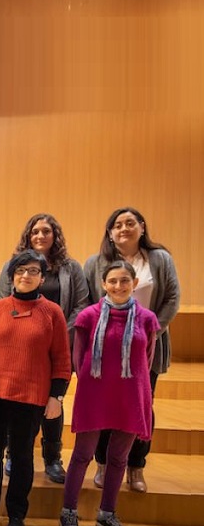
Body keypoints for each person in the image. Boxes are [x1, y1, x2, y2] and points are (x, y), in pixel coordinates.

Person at [0, 250, 71, 526]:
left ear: (42, 278)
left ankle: (16, 514)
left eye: (33, 271)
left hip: (31, 395)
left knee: (22, 456)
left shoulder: (53, 312)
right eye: (21, 271)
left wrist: (56, 396)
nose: (26, 276)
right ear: (12, 276)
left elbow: (62, 359)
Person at [60, 261, 159, 526]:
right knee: (82, 455)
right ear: (103, 284)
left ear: (134, 283)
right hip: (95, 394)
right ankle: (68, 511)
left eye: (124, 280)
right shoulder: (88, 317)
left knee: (119, 458)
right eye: (112, 281)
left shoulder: (147, 318)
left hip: (130, 395)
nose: (118, 286)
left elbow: (147, 359)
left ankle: (107, 514)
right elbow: (79, 359)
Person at [83, 207, 179, 493]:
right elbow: (88, 303)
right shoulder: (95, 263)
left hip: (146, 346)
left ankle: (136, 466)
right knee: (104, 406)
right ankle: (103, 463)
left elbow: (172, 298)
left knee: (141, 406)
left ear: (142, 227)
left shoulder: (159, 259)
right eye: (117, 225)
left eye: (130, 223)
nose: (123, 228)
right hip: (105, 349)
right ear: (110, 233)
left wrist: (150, 332)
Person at [0, 214, 88, 484]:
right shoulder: (12, 265)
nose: (40, 236)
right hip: (20, 348)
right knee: (16, 403)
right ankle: (13, 454)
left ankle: (52, 459)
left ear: (55, 235)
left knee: (53, 403)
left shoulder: (71, 268)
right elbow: (1, 300)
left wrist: (59, 333)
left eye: (46, 231)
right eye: (35, 231)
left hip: (59, 347)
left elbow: (81, 304)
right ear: (28, 235)